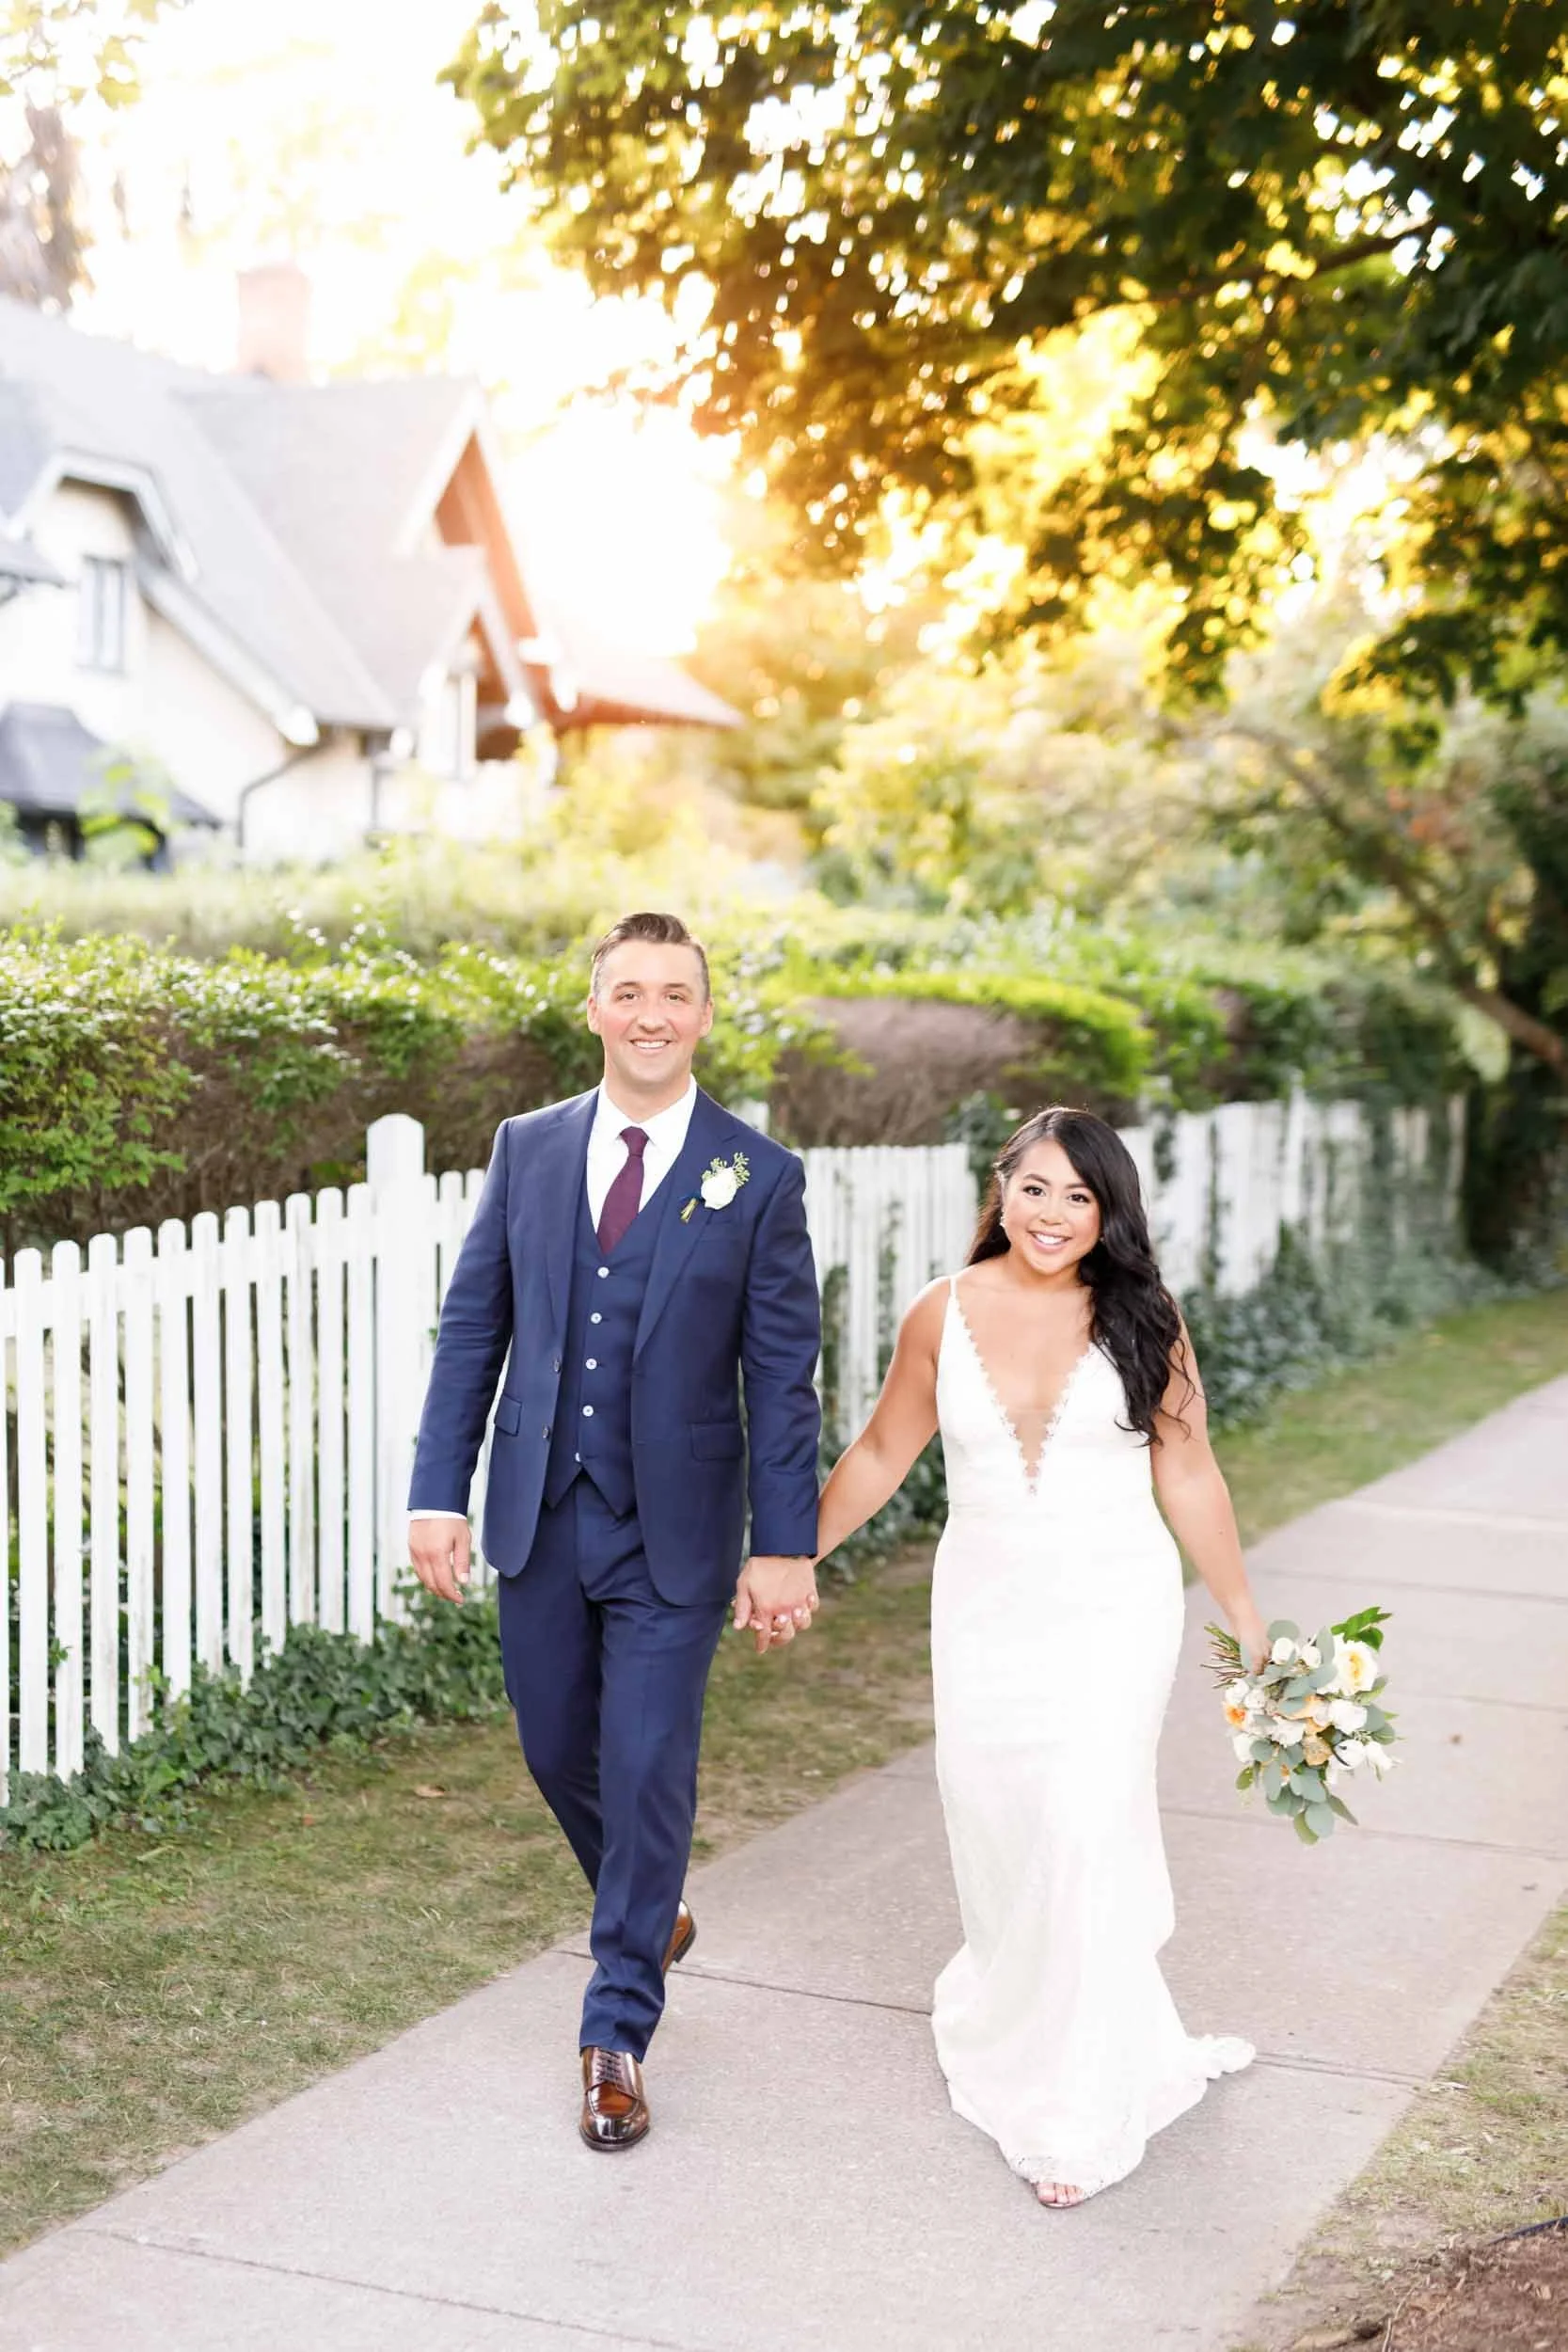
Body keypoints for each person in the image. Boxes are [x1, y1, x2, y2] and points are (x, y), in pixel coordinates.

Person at [406, 912, 822, 2153]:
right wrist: (438, 1489)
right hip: (540, 1511)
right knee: (552, 1750)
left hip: (677, 1536)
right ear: (592, 1009)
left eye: (674, 995)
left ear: (702, 1016)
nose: (650, 1013)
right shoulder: (526, 1150)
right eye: (626, 992)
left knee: (646, 1763)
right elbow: (473, 1328)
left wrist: (782, 1542)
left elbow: (779, 1378)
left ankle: (615, 2030)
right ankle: (650, 1904)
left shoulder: (757, 1176)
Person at [814, 1105, 1266, 2207]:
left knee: (1077, 1819)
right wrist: (787, 1555)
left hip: (1111, 1607)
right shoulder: (941, 1311)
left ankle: (1072, 2112)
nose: (1053, 1214)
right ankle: (1026, 2018)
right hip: (982, 1612)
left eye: (1078, 1195)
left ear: (1107, 1210)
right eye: (1035, 1188)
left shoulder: (1143, 1314)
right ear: (1000, 1187)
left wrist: (1243, 1612)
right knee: (1001, 1824)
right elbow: (880, 1449)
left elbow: (1189, 1471)